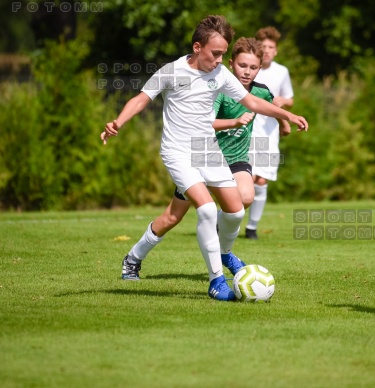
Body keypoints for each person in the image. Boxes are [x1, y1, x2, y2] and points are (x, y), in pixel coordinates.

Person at [101, 16, 308, 302]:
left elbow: (252, 102)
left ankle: (219, 253)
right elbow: (141, 99)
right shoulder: (171, 71)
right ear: (198, 47)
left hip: (206, 150)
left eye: (224, 54)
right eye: (216, 53)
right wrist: (118, 122)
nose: (221, 60)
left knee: (235, 211)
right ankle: (216, 282)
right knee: (208, 211)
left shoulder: (220, 74)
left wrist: (287, 114)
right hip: (177, 152)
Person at [245, 26, 295, 240]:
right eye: (263, 46)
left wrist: (282, 103)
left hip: (269, 131)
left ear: (276, 51)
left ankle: (252, 228)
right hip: (247, 128)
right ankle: (225, 219)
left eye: (270, 47)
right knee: (247, 178)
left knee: (262, 180)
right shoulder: (248, 68)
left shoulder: (281, 72)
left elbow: (289, 99)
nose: (266, 50)